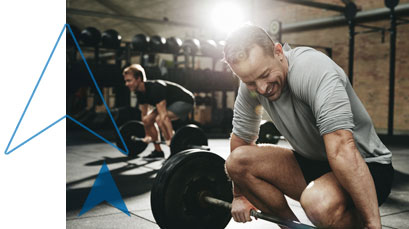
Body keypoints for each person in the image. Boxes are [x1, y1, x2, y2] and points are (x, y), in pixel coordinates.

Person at [223, 24, 393, 228]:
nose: (261, 88)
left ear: (278, 52)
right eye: (250, 82)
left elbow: (341, 149)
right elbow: (241, 140)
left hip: (367, 166)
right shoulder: (251, 88)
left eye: (265, 74)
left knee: (318, 203)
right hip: (315, 163)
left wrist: (372, 224)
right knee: (236, 162)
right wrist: (239, 195)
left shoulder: (311, 69)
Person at [123, 64, 195, 160]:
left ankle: (174, 151)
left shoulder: (155, 88)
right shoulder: (139, 93)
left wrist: (171, 141)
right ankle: (158, 151)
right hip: (170, 103)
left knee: (160, 119)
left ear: (139, 79)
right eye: (126, 81)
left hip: (185, 100)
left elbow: (164, 117)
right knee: (148, 119)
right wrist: (147, 135)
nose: (126, 84)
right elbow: (144, 117)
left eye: (129, 80)